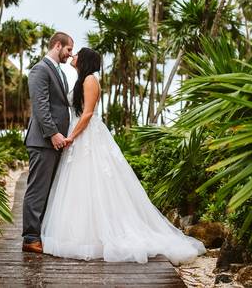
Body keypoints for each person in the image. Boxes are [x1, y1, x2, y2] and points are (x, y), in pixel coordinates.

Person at [41, 47, 206, 264]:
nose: (73, 56)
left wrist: (71, 136)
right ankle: (78, 232)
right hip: (80, 134)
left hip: (87, 135)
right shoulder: (81, 79)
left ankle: (99, 236)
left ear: (86, 60)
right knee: (81, 184)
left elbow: (88, 113)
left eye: (77, 54)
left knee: (96, 181)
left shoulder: (90, 79)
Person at [21, 32, 74, 253]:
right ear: (58, 45)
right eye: (68, 49)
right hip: (43, 141)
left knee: (49, 189)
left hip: (56, 142)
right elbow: (40, 106)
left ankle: (40, 234)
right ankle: (30, 238)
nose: (70, 55)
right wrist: (53, 133)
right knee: (38, 189)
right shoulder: (40, 69)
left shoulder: (59, 71)